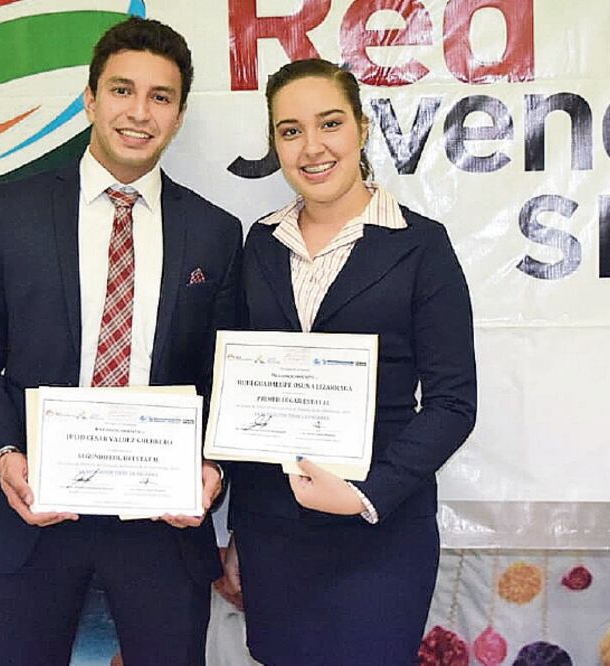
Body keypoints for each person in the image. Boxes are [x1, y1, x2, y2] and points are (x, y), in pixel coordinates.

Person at [0, 17, 242, 666]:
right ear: (89, 98)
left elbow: (228, 376)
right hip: (33, 510)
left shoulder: (215, 232)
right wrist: (4, 458)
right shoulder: (9, 213)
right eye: (121, 90)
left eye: (160, 97)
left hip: (163, 525)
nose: (139, 112)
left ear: (179, 114)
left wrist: (214, 469)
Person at [222, 58, 478, 665]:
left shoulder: (422, 245)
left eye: (330, 123)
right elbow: (237, 389)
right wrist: (234, 525)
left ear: (362, 128)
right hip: (271, 533)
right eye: (290, 130)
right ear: (274, 143)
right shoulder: (259, 243)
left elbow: (452, 404)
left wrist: (367, 495)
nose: (312, 147)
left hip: (380, 530)